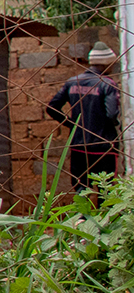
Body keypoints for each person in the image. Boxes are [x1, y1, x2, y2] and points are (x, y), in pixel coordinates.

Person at [46, 41, 121, 192]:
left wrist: (71, 124)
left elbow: (52, 107)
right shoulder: (107, 84)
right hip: (103, 146)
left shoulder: (72, 82)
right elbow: (112, 114)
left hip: (79, 145)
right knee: (105, 191)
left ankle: (82, 208)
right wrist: (116, 125)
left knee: (81, 189)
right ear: (107, 64)